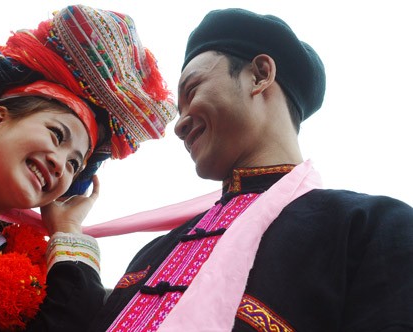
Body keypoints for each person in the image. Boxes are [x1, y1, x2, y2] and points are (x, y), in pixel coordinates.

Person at [65, 7, 413, 331]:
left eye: (193, 89)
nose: (179, 125)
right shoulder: (153, 252)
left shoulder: (370, 227)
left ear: (260, 75)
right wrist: (66, 229)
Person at [0, 4, 176, 332]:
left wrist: (66, 229)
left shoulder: (21, 276)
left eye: (73, 164)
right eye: (56, 134)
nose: (59, 163)